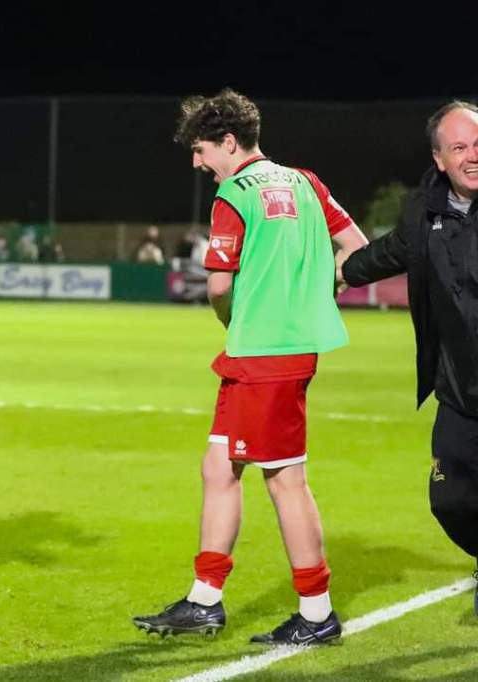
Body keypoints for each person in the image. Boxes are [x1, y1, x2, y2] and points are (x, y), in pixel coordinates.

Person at [131, 89, 368, 646]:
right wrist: (316, 289)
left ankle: (317, 613)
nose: (197, 162)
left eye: (200, 149)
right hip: (271, 354)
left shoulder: (234, 194)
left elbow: (218, 288)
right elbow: (357, 248)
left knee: (285, 480)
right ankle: (204, 599)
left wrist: (234, 317)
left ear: (229, 142)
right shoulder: (306, 182)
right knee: (219, 468)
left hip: (264, 353)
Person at [340, 101, 478, 614]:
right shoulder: (424, 212)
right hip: (461, 392)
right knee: (449, 501)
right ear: (439, 158)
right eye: (459, 147)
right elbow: (393, 250)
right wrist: (340, 273)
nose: (472, 155)